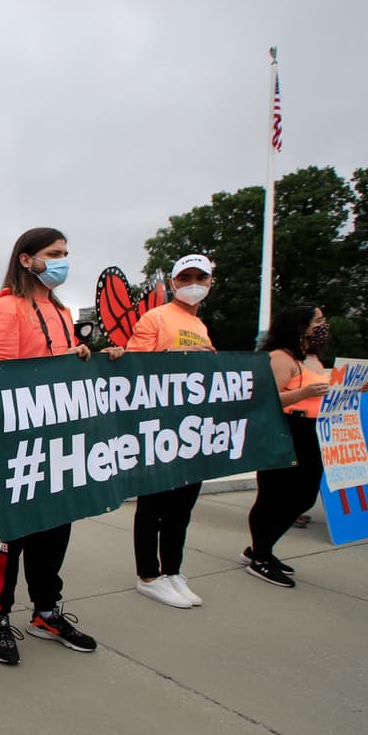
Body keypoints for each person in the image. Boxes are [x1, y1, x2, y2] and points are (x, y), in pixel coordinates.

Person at [0, 227, 122, 665]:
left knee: (55, 530)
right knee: (9, 536)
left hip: (59, 445)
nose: (62, 260)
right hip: (16, 446)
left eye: (65, 253)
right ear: (26, 259)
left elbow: (63, 368)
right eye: (54, 253)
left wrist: (91, 357)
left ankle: (46, 612)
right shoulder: (4, 308)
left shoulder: (59, 309)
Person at [125, 254, 216, 609]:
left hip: (192, 427)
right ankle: (148, 575)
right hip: (159, 426)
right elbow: (133, 367)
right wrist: (176, 355)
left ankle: (173, 571)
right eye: (186, 277)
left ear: (210, 282)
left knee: (182, 506)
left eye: (200, 277)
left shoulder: (201, 326)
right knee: (154, 504)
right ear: (174, 282)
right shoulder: (156, 318)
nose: (193, 283)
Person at [241, 304, 331, 587]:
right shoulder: (281, 358)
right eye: (318, 321)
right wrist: (303, 393)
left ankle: (261, 547)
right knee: (274, 494)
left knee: (305, 495)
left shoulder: (312, 358)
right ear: (301, 326)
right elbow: (264, 399)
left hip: (310, 430)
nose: (323, 326)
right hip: (285, 428)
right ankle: (261, 555)